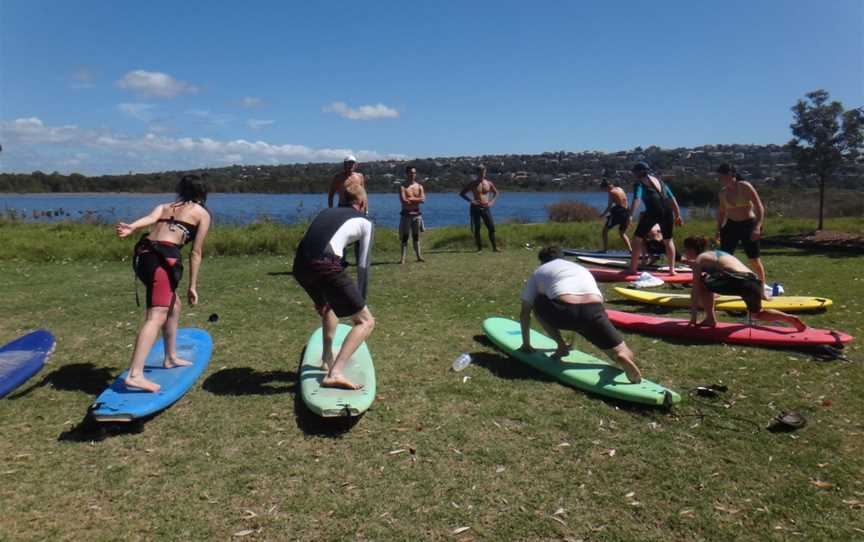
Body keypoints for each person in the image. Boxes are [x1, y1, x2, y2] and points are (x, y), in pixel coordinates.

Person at [115, 174, 212, 392]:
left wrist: (131, 227)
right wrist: (193, 286)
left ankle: (170, 356)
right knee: (156, 315)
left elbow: (149, 220)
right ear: (203, 192)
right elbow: (196, 253)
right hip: (160, 262)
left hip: (143, 257)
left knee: (173, 304)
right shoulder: (202, 214)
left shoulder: (164, 206)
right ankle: (135, 374)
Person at [517, 246, 642, 383]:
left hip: (565, 312)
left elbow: (525, 313)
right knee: (621, 350)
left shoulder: (539, 271)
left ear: (542, 261)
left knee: (538, 301)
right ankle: (621, 356)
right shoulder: (580, 268)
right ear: (562, 258)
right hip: (594, 311)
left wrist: (526, 344)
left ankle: (561, 345)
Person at [293, 184, 375, 390]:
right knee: (365, 322)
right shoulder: (365, 221)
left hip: (300, 264)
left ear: (342, 201)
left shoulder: (327, 212)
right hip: (325, 264)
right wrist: (360, 300)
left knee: (328, 306)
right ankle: (335, 373)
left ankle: (326, 357)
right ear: (363, 204)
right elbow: (363, 264)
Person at [683, 236, 805, 331]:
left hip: (739, 281)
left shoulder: (700, 259)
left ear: (692, 250)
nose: (685, 254)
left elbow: (695, 291)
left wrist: (693, 319)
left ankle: (710, 319)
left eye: (686, 250)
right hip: (754, 281)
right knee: (757, 314)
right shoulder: (718, 254)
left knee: (702, 284)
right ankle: (788, 318)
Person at [715, 164, 767, 295]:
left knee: (754, 259)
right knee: (724, 258)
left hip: (748, 224)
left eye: (723, 176)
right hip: (730, 225)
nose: (721, 179)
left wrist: (757, 226)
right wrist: (718, 230)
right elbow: (721, 212)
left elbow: (759, 206)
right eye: (719, 177)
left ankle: (761, 290)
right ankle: (723, 289)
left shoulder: (744, 186)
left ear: (731, 175)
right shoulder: (722, 192)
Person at [628, 162, 683, 275]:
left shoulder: (639, 183)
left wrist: (630, 215)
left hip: (653, 211)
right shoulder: (661, 182)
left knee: (637, 239)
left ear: (640, 172)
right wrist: (678, 215)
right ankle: (672, 270)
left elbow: (637, 199)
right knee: (668, 240)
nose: (633, 173)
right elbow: (672, 199)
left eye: (635, 171)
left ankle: (633, 269)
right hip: (667, 211)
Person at [459, 165, 500, 252]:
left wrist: (492, 202)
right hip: (475, 207)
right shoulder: (473, 183)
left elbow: (496, 193)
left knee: (491, 227)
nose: (482, 174)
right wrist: (471, 201)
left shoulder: (489, 183)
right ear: (477, 173)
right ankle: (479, 248)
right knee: (477, 228)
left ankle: (494, 247)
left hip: (486, 207)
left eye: (484, 172)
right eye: (480, 172)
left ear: (485, 172)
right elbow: (462, 193)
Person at [399, 165, 426, 264]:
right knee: (405, 236)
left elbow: (423, 199)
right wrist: (416, 200)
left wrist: (411, 199)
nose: (412, 174)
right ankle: (403, 258)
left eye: (414, 173)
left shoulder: (419, 186)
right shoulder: (403, 186)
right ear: (407, 173)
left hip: (417, 215)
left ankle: (419, 256)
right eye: (410, 173)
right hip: (406, 215)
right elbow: (404, 201)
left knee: (416, 236)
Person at [599, 179, 632, 253]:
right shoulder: (620, 188)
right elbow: (624, 201)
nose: (605, 191)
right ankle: (630, 250)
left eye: (604, 189)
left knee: (604, 231)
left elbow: (609, 206)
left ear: (606, 187)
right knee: (622, 233)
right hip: (626, 212)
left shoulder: (611, 192)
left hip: (619, 213)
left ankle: (605, 250)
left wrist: (603, 215)